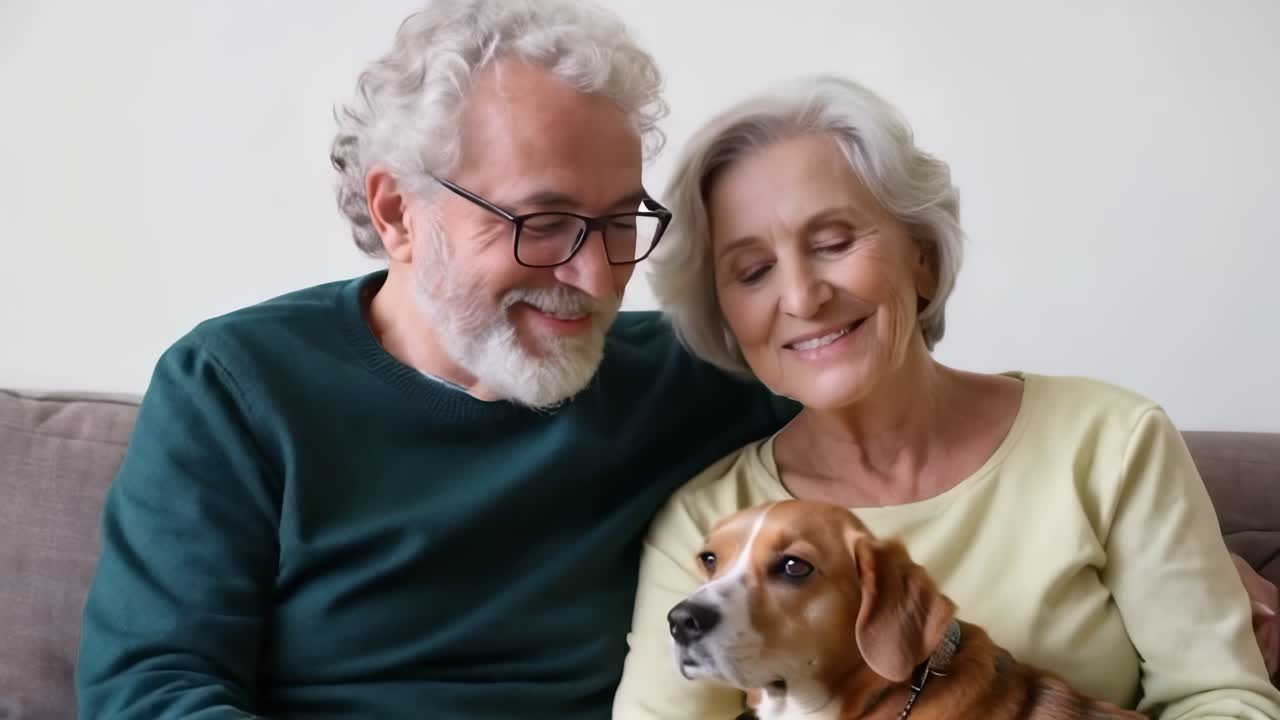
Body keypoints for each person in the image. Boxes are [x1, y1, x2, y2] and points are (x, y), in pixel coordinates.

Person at [73, 2, 796, 718]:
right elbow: (152, 688)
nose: (597, 278)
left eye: (616, 225)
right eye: (543, 224)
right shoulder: (234, 386)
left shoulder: (692, 378)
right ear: (396, 212)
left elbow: (887, 417)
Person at [611, 74, 1280, 718]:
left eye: (835, 242)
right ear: (726, 314)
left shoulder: (1109, 441)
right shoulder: (708, 523)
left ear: (921, 255)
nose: (801, 296)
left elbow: (1222, 700)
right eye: (752, 271)